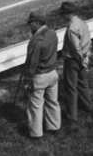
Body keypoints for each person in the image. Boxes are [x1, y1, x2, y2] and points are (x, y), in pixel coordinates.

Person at [24, 11, 61, 139]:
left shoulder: (36, 40)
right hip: (53, 73)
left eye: (31, 23)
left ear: (37, 23)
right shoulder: (52, 32)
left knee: (36, 105)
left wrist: (27, 80)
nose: (30, 26)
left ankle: (36, 134)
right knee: (52, 101)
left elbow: (32, 63)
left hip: (40, 76)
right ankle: (54, 127)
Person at [59, 3, 93, 131]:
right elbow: (89, 42)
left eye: (62, 14)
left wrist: (80, 60)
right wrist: (86, 57)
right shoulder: (82, 23)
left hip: (73, 60)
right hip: (84, 57)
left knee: (70, 87)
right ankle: (88, 106)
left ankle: (71, 116)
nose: (62, 16)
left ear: (68, 14)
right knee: (82, 82)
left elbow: (75, 47)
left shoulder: (72, 28)